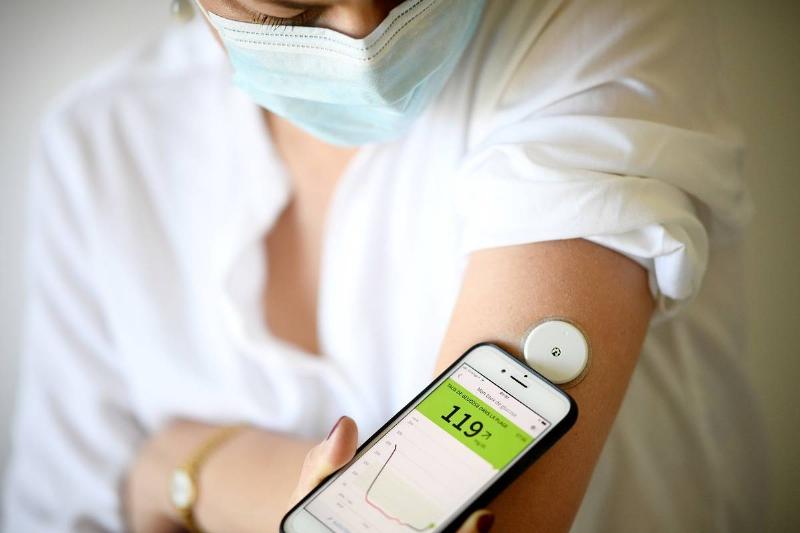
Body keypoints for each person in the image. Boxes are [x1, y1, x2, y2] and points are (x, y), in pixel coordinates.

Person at [2, 0, 768, 531]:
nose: (365, 33)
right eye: (292, 7)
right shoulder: (98, 143)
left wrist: (180, 467)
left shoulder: (595, 24)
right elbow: (63, 514)